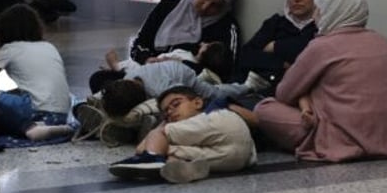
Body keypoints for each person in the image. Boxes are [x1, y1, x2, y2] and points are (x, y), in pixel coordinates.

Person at [253, 0, 387, 162]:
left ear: (332, 10)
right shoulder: (382, 42)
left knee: (264, 108)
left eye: (319, 8)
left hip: (338, 136)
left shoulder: (321, 46)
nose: (315, 15)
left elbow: (284, 94)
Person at [89, 0, 241, 94]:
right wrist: (148, 59)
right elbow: (139, 45)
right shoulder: (168, 6)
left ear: (225, 6)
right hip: (145, 72)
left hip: (184, 86)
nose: (206, 6)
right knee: (100, 79)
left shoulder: (227, 26)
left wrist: (178, 65)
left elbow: (223, 70)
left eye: (216, 5)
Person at [107, 85, 257, 182]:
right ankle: (184, 169)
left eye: (176, 104)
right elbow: (140, 148)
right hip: (239, 160)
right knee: (172, 152)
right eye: (166, 112)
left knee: (161, 135)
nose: (171, 112)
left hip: (225, 125)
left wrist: (163, 125)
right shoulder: (191, 129)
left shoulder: (209, 113)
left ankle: (151, 158)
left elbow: (141, 148)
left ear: (198, 103)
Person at [0, 3, 74, 141]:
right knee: (18, 94)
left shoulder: (9, 49)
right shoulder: (49, 46)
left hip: (36, 114)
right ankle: (51, 127)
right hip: (61, 116)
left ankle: (30, 128)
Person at [235, 0, 325, 88]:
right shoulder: (276, 23)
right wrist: (281, 63)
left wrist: (275, 46)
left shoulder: (324, 26)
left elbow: (315, 54)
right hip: (260, 89)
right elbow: (245, 56)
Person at [100, 58, 269, 119]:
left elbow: (181, 97)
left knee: (213, 94)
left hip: (182, 75)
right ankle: (205, 78)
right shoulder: (128, 79)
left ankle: (248, 86)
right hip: (167, 68)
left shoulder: (162, 90)